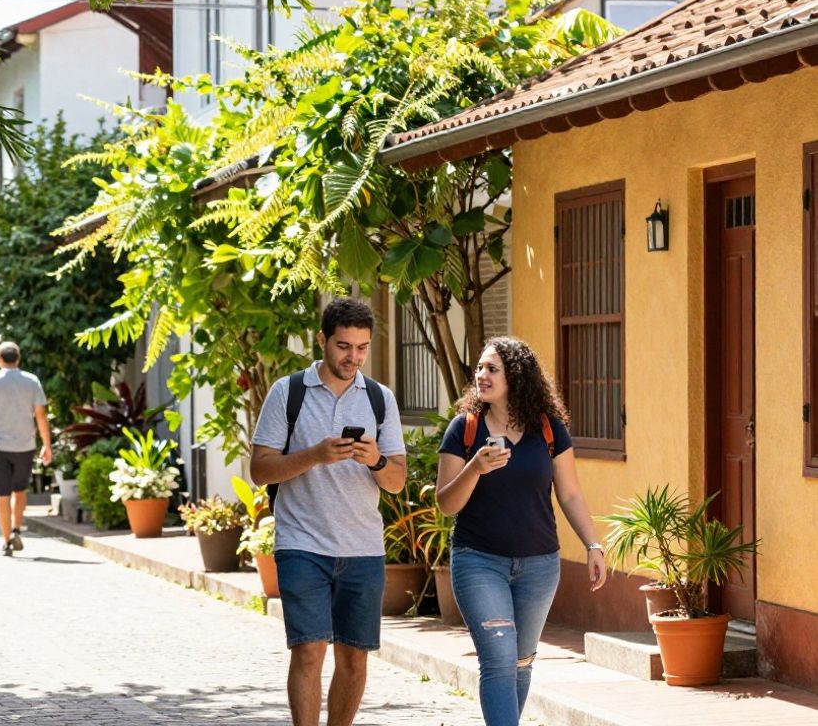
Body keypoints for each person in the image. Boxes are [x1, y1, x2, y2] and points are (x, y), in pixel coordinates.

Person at [249, 297, 407, 726]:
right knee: (308, 650)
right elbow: (261, 469)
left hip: (362, 547)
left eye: (361, 348)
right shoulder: (289, 393)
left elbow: (396, 479)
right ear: (322, 340)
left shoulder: (380, 399)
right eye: (343, 346)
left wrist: (374, 459)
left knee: (354, 659)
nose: (352, 357)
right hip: (302, 543)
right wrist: (316, 455)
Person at [436, 336, 606, 726]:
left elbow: (571, 493)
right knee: (497, 660)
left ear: (517, 375)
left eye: (492, 368)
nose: (481, 375)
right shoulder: (465, 429)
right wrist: (475, 468)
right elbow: (447, 504)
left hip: (539, 566)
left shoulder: (549, 430)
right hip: (478, 561)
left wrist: (592, 543)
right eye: (479, 368)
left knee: (521, 661)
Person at [0, 341, 52, 556]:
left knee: (1, 495)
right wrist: (46, 444)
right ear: (18, 359)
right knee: (19, 490)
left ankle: (6, 540)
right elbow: (41, 415)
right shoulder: (32, 381)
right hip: (25, 445)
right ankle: (16, 529)